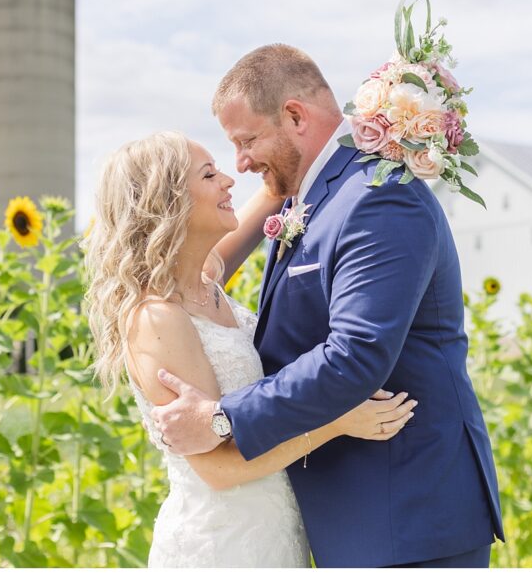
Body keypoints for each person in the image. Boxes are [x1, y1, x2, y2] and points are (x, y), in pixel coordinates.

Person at [150, 44, 505, 567]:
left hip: (404, 514)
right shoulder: (313, 198)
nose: (240, 164)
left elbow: (355, 354)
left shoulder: (379, 196)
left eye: (247, 141)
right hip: (349, 518)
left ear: (295, 116)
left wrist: (222, 418)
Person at [82, 131, 416, 567]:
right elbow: (217, 469)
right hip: (221, 543)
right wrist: (338, 422)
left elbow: (273, 191)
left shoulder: (205, 281)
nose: (228, 180)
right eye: (209, 174)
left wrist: (374, 123)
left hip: (273, 528)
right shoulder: (157, 319)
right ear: (167, 201)